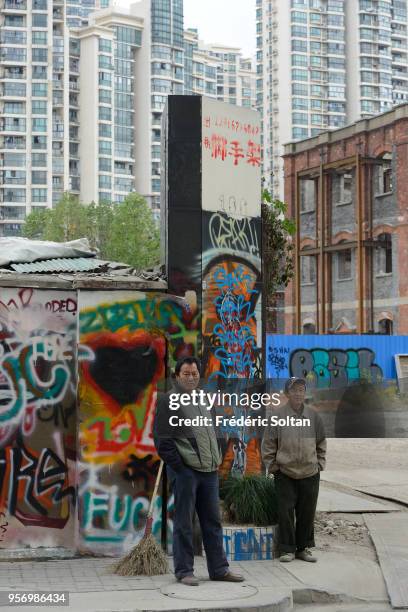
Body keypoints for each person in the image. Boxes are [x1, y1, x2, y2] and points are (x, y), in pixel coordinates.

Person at [153, 356, 244, 586]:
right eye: (186, 374)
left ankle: (219, 569)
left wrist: (218, 457)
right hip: (187, 472)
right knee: (184, 522)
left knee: (212, 522)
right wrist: (181, 469)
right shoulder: (169, 401)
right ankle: (184, 571)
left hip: (209, 472)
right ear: (176, 376)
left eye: (195, 374)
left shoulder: (204, 398)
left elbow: (214, 430)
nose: (192, 377)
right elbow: (163, 441)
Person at [261, 377, 326, 563]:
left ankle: (303, 548)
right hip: (285, 473)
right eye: (294, 390)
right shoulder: (277, 416)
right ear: (287, 393)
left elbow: (321, 442)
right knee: (286, 512)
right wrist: (274, 467)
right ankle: (287, 549)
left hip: (310, 472)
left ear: (305, 393)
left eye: (301, 389)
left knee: (307, 512)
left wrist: (319, 463)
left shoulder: (314, 417)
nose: (298, 393)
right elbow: (268, 444)